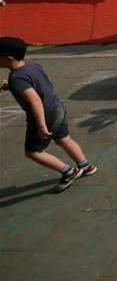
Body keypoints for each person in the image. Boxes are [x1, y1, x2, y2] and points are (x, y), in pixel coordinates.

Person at [0, 36, 98, 192]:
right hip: (57, 107)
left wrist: (41, 125)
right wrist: (11, 86)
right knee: (64, 139)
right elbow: (40, 84)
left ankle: (69, 171)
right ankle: (85, 166)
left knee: (33, 152)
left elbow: (35, 101)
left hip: (44, 115)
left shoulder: (17, 78)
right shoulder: (34, 66)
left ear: (8, 58)